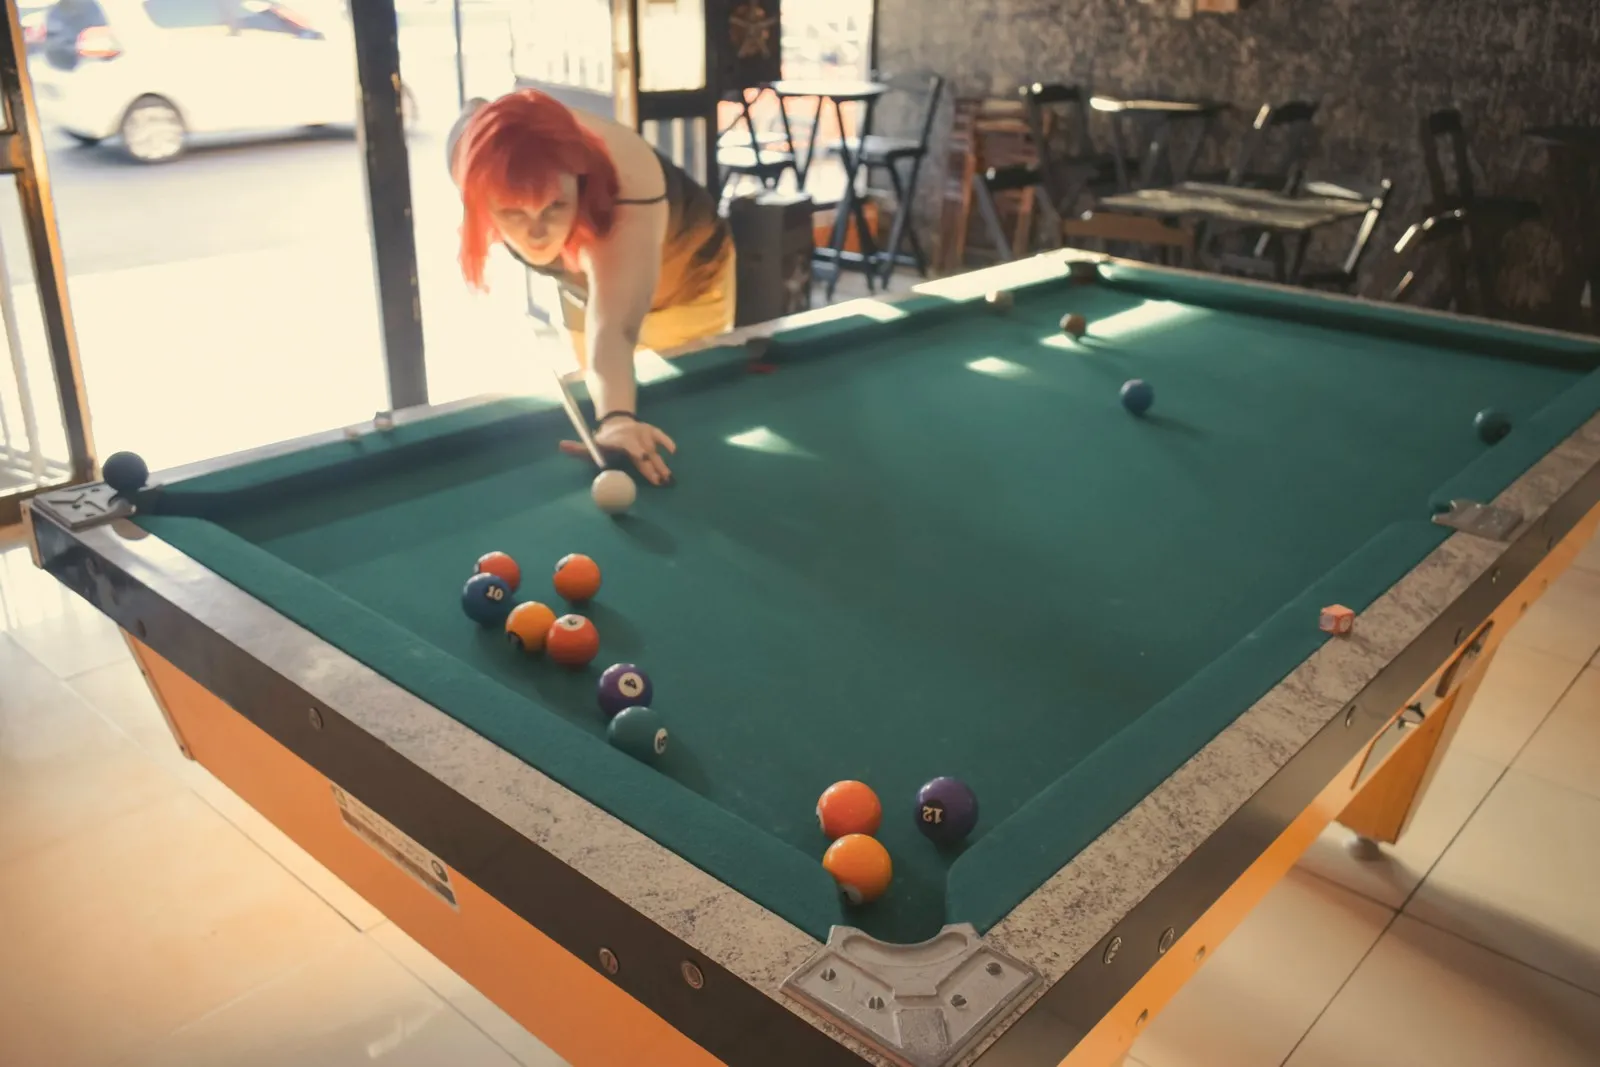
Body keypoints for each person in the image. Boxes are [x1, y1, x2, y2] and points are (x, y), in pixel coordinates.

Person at [448, 89, 736, 486]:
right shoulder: (471, 157)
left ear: (581, 183)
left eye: (555, 207)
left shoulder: (627, 178)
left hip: (686, 278)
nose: (536, 233)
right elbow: (475, 110)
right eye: (512, 212)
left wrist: (617, 418)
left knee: (678, 413)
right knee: (600, 396)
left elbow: (614, 329)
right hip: (584, 284)